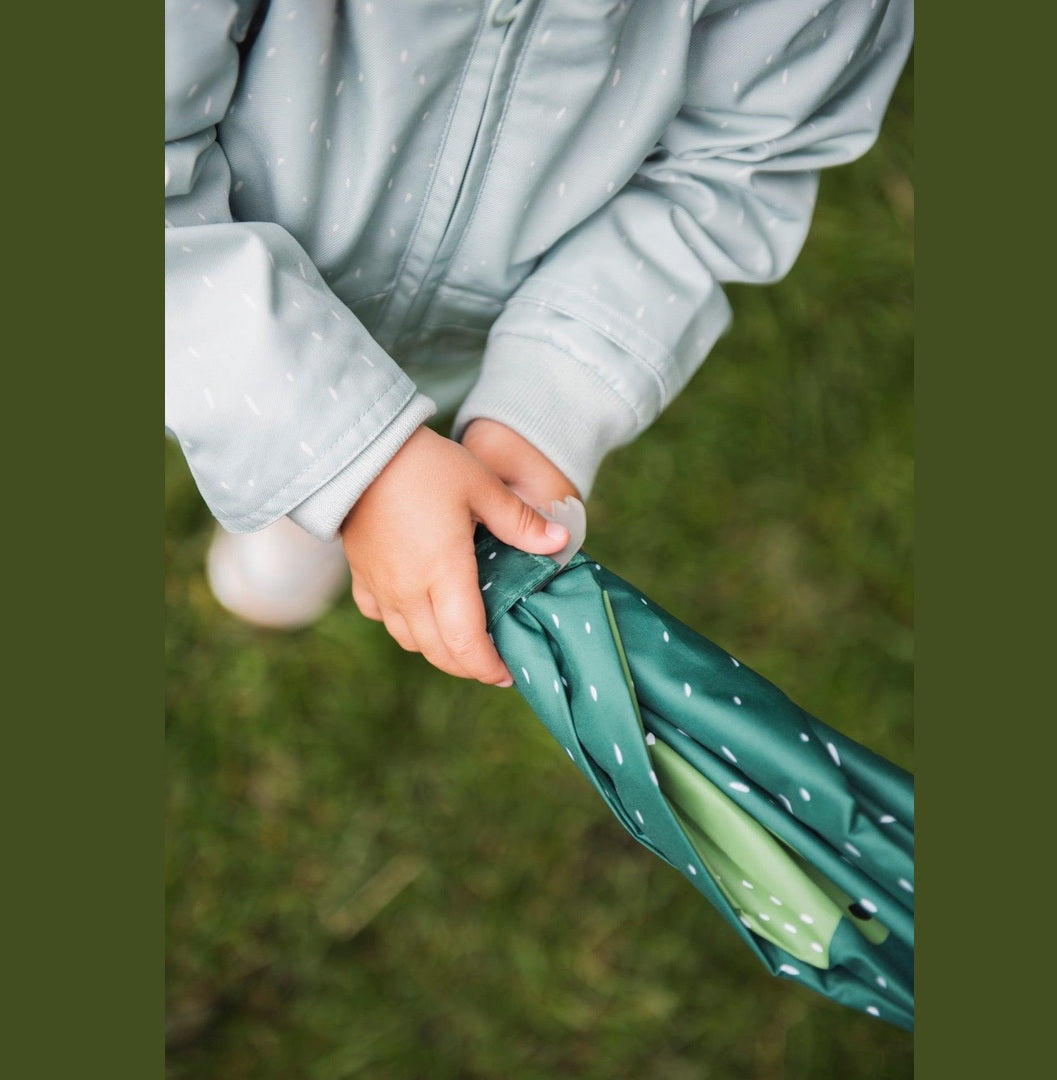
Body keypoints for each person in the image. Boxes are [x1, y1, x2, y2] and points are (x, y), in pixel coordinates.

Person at [166, 0, 913, 687]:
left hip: (489, 303)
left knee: (411, 417)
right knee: (293, 438)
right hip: (231, 291)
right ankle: (309, 505)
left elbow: (733, 168)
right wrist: (351, 460)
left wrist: (543, 401)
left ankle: (351, 503)